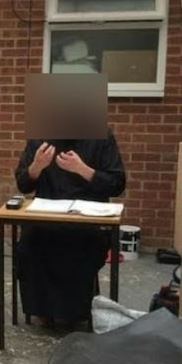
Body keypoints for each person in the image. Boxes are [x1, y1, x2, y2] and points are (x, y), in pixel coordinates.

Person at [14, 132, 127, 327]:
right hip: (46, 219)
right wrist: (36, 167)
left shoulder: (102, 137)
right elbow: (23, 184)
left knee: (80, 245)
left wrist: (83, 170)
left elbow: (117, 184)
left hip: (87, 220)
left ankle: (77, 310)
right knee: (29, 243)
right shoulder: (41, 137)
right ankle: (41, 308)